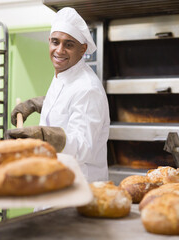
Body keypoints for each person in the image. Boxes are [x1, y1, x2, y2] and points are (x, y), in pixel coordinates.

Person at [6, 7, 110, 182]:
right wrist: (35, 104)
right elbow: (66, 103)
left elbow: (83, 147)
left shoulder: (88, 88)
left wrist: (44, 136)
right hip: (53, 177)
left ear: (83, 49)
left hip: (77, 187)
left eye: (68, 44)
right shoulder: (65, 73)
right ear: (49, 42)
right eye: (55, 42)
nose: (59, 50)